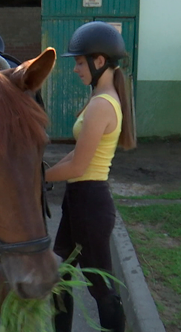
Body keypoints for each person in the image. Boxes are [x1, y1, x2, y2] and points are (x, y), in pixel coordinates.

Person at [45, 21, 136, 332]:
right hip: (80, 201)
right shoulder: (102, 100)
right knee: (62, 276)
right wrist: (43, 171)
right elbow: (76, 155)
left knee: (101, 287)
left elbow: (78, 167)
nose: (76, 69)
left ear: (100, 61)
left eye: (80, 62)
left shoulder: (101, 106)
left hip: (90, 203)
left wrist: (41, 178)